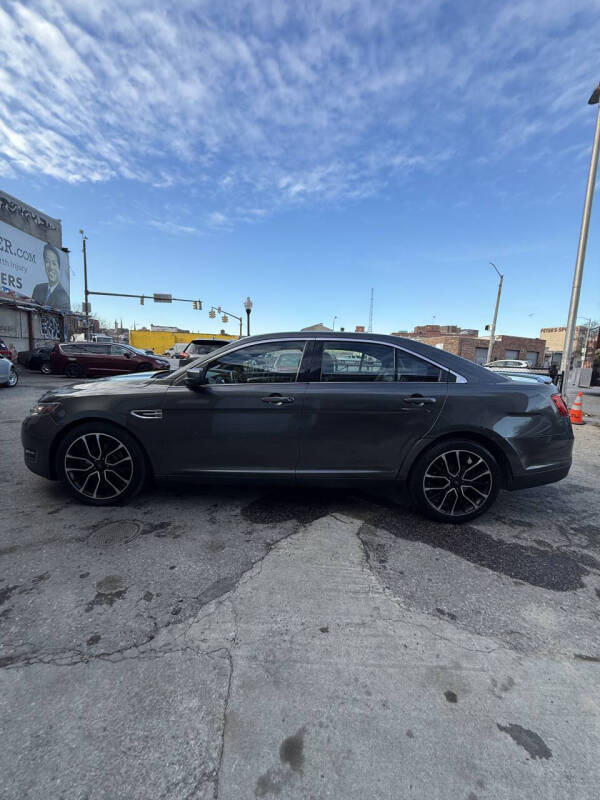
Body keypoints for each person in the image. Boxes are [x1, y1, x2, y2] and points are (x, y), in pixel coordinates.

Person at [32, 244, 70, 311]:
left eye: (54, 263)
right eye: (47, 262)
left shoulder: (64, 297)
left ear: (59, 267)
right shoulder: (38, 288)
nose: (50, 267)